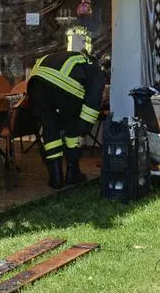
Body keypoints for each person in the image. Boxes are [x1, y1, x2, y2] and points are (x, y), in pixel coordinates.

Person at [27, 51, 108, 189]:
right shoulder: (96, 70)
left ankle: (55, 178)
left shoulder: (73, 57)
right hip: (64, 83)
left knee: (49, 126)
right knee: (71, 124)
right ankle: (72, 173)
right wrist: (83, 127)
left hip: (35, 82)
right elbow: (94, 98)